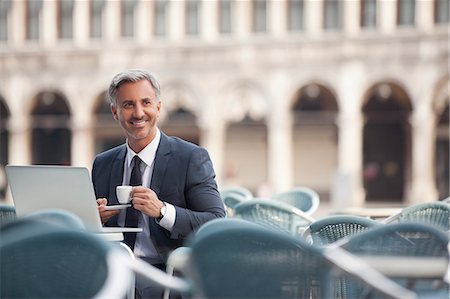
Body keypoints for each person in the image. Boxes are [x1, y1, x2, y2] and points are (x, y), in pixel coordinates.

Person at [92, 69, 225, 298]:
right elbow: (90, 230)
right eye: (128, 105)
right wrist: (95, 218)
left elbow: (215, 221)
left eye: (146, 103)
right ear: (115, 112)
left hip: (167, 275)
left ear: (159, 108)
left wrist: (163, 211)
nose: (138, 113)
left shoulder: (190, 157)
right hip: (113, 271)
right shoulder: (102, 163)